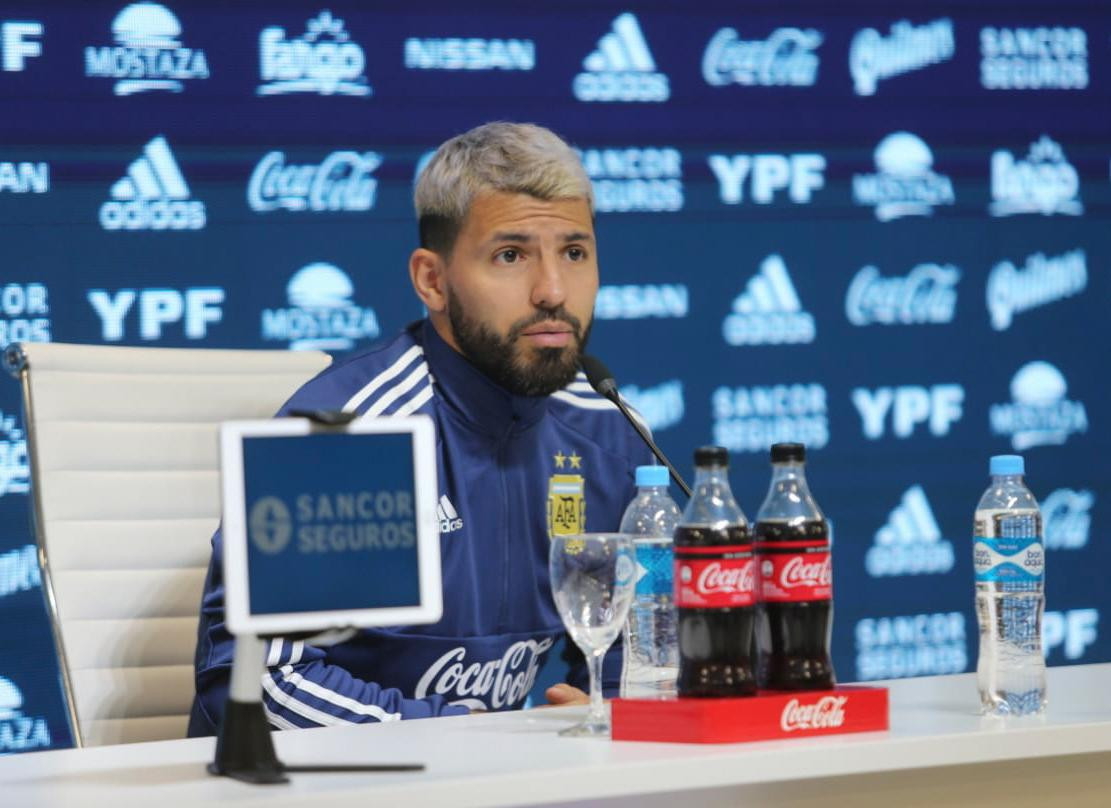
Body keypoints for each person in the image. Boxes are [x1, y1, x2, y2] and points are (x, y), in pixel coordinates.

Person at [188, 122, 652, 734]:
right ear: (432, 280)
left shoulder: (609, 434)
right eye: (510, 256)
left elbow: (639, 660)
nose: (552, 291)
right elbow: (261, 683)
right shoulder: (348, 438)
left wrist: (621, 714)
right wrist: (464, 742)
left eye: (574, 252)